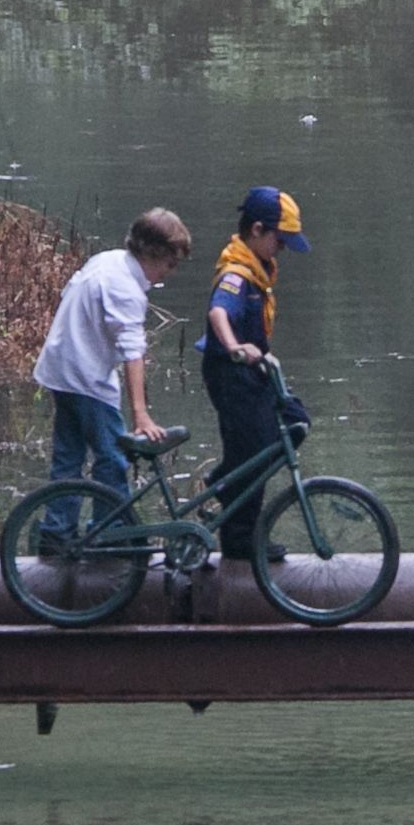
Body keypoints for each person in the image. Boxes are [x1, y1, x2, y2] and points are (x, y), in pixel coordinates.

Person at [33, 207, 188, 533]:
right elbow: (133, 352)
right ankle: (110, 532)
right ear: (154, 254)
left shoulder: (108, 260)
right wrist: (140, 414)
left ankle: (56, 531)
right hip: (84, 376)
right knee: (112, 459)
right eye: (170, 264)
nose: (170, 273)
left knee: (68, 459)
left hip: (61, 368)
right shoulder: (125, 288)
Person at [197, 186, 313, 560]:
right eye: (279, 240)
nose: (282, 248)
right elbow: (218, 314)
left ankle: (224, 482)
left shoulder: (259, 271)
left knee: (295, 423)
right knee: (254, 450)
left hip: (254, 372)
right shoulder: (237, 273)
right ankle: (240, 539)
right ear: (258, 230)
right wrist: (234, 348)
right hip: (231, 375)